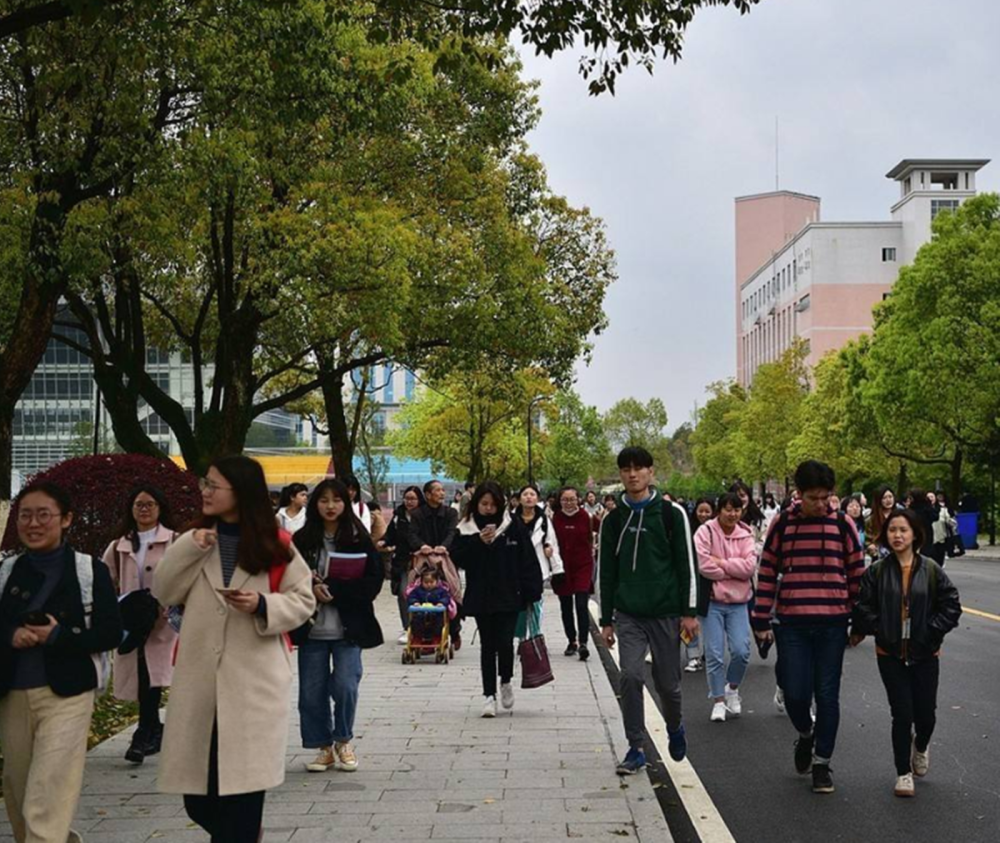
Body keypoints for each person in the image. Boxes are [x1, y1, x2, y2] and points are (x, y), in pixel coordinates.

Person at [152, 455, 316, 843]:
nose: (204, 492)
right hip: (200, 684)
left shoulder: (275, 544)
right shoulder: (193, 540)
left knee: (242, 795)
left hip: (253, 683)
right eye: (204, 484)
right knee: (198, 799)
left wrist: (262, 604)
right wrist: (189, 548)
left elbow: (303, 599)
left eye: (213, 485)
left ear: (240, 493)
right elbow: (164, 590)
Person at [0, 482, 123, 843]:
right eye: (25, 515)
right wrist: (11, 635)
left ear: (66, 519)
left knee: (48, 790)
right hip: (13, 693)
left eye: (43, 515)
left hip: (67, 693)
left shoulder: (89, 571)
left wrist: (58, 637)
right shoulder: (7, 572)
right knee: (20, 792)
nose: (33, 523)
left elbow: (110, 633)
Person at [751, 460, 865, 795]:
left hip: (832, 623)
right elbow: (768, 569)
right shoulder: (783, 523)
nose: (821, 504)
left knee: (828, 695)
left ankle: (822, 763)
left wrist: (858, 621)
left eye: (826, 497)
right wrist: (760, 620)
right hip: (793, 624)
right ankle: (805, 733)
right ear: (798, 494)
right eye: (813, 497)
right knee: (797, 693)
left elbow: (857, 573)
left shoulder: (842, 524)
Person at [599, 447, 699, 775]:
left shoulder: (671, 515)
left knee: (668, 684)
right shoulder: (613, 520)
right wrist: (606, 619)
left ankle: (674, 726)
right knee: (629, 676)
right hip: (629, 614)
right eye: (625, 469)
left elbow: (687, 566)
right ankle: (635, 746)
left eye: (638, 468)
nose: (632, 474)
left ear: (650, 473)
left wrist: (689, 612)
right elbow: (607, 571)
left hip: (667, 612)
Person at [850, 509, 962, 798]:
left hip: (925, 653)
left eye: (903, 530)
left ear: (914, 534)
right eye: (892, 530)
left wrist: (931, 632)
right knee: (902, 713)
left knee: (926, 715)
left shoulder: (932, 570)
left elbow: (951, 606)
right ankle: (903, 773)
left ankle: (921, 745)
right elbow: (863, 607)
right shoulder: (876, 571)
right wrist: (882, 629)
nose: (897, 535)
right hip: (890, 653)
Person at [293, 479, 384, 774]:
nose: (330, 506)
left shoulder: (358, 538)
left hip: (349, 628)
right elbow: (286, 581)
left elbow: (372, 583)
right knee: (311, 692)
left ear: (346, 503)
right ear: (314, 504)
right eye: (323, 500)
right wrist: (310, 588)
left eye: (336, 500)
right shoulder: (301, 540)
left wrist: (334, 589)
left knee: (346, 686)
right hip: (311, 628)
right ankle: (323, 748)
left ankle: (343, 740)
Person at [102, 485, 179, 765]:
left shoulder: (174, 540)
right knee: (140, 672)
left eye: (149, 504)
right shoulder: (119, 545)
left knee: (152, 673)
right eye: (138, 504)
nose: (144, 509)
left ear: (160, 508)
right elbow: (105, 579)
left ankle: (144, 731)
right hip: (131, 619)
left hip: (161, 620)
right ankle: (152, 728)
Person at [453, 481, 542, 718]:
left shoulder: (512, 527)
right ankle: (488, 695)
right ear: (476, 504)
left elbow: (528, 560)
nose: (488, 509)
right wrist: (478, 543)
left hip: (509, 594)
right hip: (481, 595)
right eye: (484, 504)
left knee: (505, 643)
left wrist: (533, 592)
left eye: (493, 504)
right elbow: (458, 558)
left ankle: (505, 680)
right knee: (487, 646)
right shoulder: (466, 528)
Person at [695, 493, 756, 723]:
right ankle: (718, 700)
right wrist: (733, 570)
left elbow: (749, 568)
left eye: (737, 510)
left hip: (739, 602)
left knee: (741, 651)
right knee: (714, 654)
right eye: (728, 509)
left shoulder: (746, 533)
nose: (732, 514)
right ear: (719, 510)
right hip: (712, 602)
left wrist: (721, 563)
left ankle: (732, 687)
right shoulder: (705, 532)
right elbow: (703, 565)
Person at [400, 479, 462, 647]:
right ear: (427, 495)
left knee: (450, 590)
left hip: (445, 558)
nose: (442, 493)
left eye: (443, 490)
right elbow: (412, 535)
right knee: (418, 590)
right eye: (438, 490)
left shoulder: (451, 513)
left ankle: (454, 630)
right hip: (424, 560)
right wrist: (422, 546)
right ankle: (420, 633)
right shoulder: (417, 514)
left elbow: (452, 533)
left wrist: (444, 546)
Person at [514, 484, 564, 641]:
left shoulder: (544, 520)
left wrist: (557, 568)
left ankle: (535, 636)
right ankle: (522, 638)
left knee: (536, 602)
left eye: (532, 494)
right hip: (516, 567)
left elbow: (552, 543)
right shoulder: (511, 520)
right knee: (520, 604)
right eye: (525, 494)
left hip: (537, 567)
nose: (529, 497)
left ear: (537, 498)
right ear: (519, 499)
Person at [551, 486, 595, 661]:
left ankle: (583, 642)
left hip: (583, 565)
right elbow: (551, 541)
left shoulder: (586, 517)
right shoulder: (556, 518)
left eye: (572, 499)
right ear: (559, 501)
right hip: (562, 567)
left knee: (581, 604)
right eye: (565, 500)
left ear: (578, 500)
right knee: (566, 605)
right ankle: (572, 640)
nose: (568, 503)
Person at [382, 485, 425, 644]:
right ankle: (407, 627)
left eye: (413, 499)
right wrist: (384, 541)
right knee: (403, 592)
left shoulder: (424, 516)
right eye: (407, 498)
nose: (409, 502)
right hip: (403, 561)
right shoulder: (398, 516)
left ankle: (427, 627)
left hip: (422, 560)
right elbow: (390, 535)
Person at [683, 498, 716, 673]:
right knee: (689, 617)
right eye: (700, 511)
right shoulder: (687, 529)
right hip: (691, 579)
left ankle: (708, 653)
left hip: (710, 580)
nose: (703, 515)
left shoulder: (716, 531)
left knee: (708, 619)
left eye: (707, 511)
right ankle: (693, 655)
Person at [405, 566, 457, 639]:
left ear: (436, 581)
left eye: (431, 582)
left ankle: (436, 636)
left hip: (436, 613)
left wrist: (441, 603)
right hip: (421, 612)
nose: (429, 584)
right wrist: (415, 602)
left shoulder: (441, 591)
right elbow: (411, 597)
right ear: (421, 582)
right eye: (426, 582)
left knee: (439, 621)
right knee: (416, 621)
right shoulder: (417, 590)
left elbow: (446, 597)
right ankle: (418, 636)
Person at [866, 486, 897, 561]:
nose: (888, 500)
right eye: (884, 498)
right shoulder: (871, 519)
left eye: (890, 497)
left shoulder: (899, 515)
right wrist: (871, 546)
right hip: (879, 555)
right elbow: (867, 539)